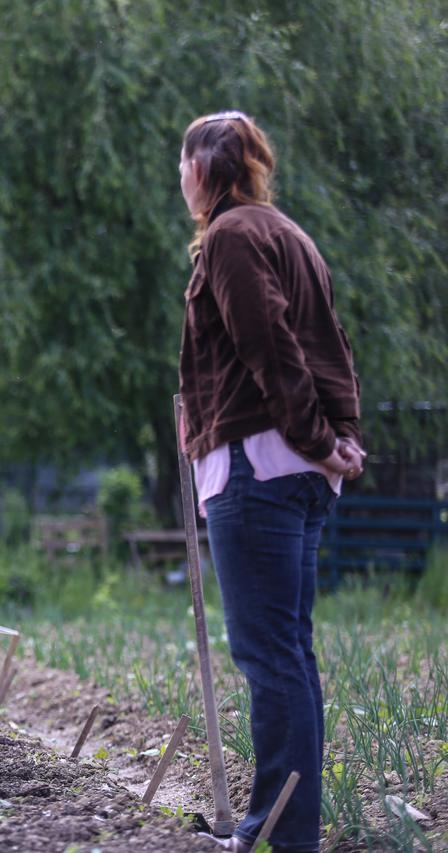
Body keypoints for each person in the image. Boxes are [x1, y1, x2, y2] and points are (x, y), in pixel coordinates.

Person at [177, 111, 364, 853]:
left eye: (185, 165)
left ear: (207, 169)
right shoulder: (289, 232)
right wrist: (341, 439)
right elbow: (334, 344)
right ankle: (288, 830)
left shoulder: (230, 236)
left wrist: (321, 436)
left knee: (270, 654)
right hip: (299, 468)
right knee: (290, 651)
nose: (180, 179)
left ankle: (280, 833)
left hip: (260, 463)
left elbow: (269, 343)